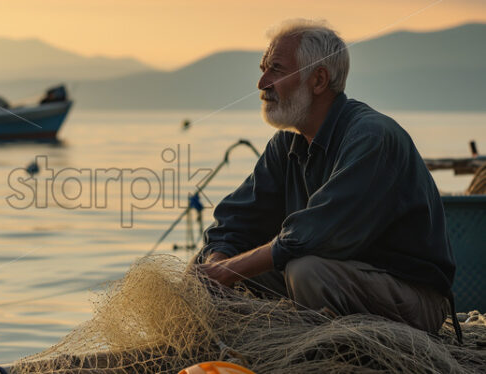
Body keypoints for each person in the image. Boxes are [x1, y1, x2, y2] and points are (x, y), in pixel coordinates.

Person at [195, 19, 460, 339]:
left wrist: (224, 271)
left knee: (307, 271)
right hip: (338, 279)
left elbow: (314, 234)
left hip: (412, 295)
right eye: (263, 68)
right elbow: (236, 219)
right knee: (203, 266)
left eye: (276, 69)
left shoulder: (371, 137)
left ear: (318, 79)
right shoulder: (287, 142)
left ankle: (331, 356)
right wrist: (215, 264)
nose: (261, 82)